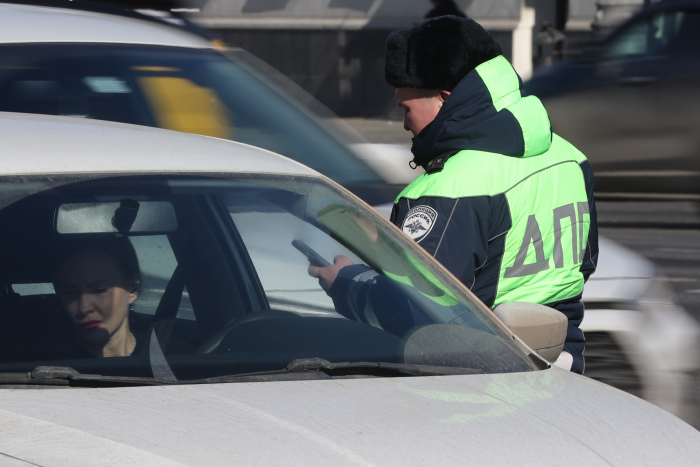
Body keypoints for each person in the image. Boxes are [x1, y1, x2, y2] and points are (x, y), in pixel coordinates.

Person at [310, 16, 598, 374]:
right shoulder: (569, 158)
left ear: (446, 98)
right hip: (562, 374)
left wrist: (348, 284)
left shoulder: (450, 188)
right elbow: (584, 265)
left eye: (407, 108)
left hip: (476, 391)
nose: (404, 124)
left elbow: (416, 313)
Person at [54, 237, 145, 358]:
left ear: (133, 289)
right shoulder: (45, 365)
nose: (84, 308)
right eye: (70, 292)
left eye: (99, 289)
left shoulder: (171, 354)